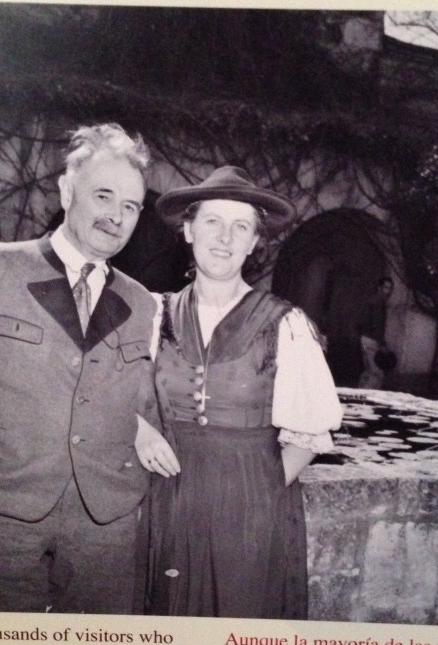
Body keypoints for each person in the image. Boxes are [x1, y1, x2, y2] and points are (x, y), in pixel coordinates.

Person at [0, 123, 160, 614]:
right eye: (103, 196)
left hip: (106, 526)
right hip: (0, 516)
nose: (116, 216)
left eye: (130, 206)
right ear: (67, 191)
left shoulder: (140, 303)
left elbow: (140, 400)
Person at [134, 166, 343, 619]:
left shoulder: (284, 324)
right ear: (189, 230)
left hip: (251, 508)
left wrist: (257, 494)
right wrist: (139, 430)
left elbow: (310, 433)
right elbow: (108, 392)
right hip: (167, 502)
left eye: (241, 226)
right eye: (212, 221)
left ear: (253, 243)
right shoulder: (154, 314)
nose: (224, 237)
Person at [357, 276, 394, 389]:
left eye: (390, 288)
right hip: (372, 340)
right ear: (379, 288)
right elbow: (377, 325)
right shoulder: (379, 302)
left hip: (364, 338)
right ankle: (366, 397)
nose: (388, 291)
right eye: (386, 288)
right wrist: (382, 344)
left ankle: (358, 395)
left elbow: (360, 321)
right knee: (377, 374)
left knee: (368, 372)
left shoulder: (371, 300)